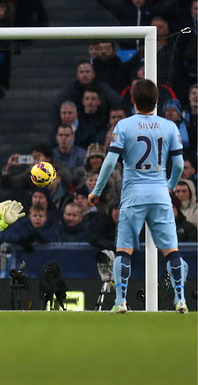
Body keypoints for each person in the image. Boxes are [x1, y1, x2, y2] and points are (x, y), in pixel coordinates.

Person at [89, 79, 186, 314]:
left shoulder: (124, 126)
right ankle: (180, 300)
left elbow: (110, 160)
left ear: (132, 101)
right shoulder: (169, 126)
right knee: (171, 251)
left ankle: (121, 301)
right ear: (156, 101)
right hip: (159, 195)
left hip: (133, 196)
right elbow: (180, 165)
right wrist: (169, 187)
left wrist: (97, 191)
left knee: (124, 250)